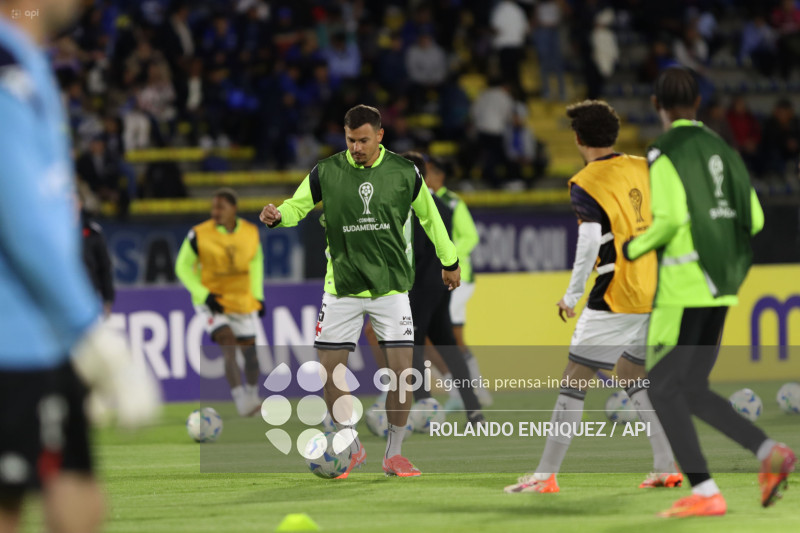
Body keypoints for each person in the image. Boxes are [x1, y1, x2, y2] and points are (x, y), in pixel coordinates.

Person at [0, 2, 160, 533]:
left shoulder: (28, 59)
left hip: (39, 336)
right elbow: (21, 215)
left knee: (80, 499)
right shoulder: (8, 65)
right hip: (14, 337)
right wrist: (89, 332)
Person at [622, 66, 796, 518]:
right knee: (691, 387)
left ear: (658, 106)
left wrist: (632, 244)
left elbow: (670, 219)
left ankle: (705, 492)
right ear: (697, 104)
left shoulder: (664, 151)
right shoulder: (725, 147)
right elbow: (754, 219)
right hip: (721, 286)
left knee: (660, 387)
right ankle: (768, 452)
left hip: (684, 287)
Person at [260, 105, 460, 478]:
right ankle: (350, 445)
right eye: (351, 140)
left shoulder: (404, 172)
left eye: (364, 140)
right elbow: (297, 205)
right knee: (330, 372)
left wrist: (450, 262)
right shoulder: (326, 171)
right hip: (342, 289)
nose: (356, 147)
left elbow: (431, 218)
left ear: (380, 136)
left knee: (403, 374)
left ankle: (394, 454)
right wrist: (279, 216)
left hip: (391, 289)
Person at [505, 100, 678, 495]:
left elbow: (587, 242)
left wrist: (571, 296)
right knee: (632, 375)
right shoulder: (645, 166)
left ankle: (546, 475)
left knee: (573, 381)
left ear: (578, 139)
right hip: (660, 290)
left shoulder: (586, 181)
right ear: (613, 135)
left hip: (617, 295)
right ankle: (666, 465)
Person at [401, 151, 484, 425]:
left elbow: (417, 252)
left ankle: (423, 405)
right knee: (447, 344)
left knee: (412, 346)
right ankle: (473, 409)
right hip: (440, 286)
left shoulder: (412, 207)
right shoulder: (443, 205)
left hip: (420, 286)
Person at [175, 188, 265, 417]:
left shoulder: (250, 232)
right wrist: (203, 294)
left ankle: (252, 396)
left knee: (251, 356)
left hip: (240, 300)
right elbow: (182, 267)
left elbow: (255, 263)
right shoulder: (198, 234)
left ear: (233, 209)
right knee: (227, 342)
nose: (215, 212)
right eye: (213, 207)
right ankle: (240, 401)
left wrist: (258, 296)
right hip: (210, 300)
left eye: (220, 207)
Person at [424, 156, 491, 410]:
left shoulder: (451, 201)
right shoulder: (426, 199)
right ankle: (478, 391)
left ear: (439, 176)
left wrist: (447, 254)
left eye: (427, 172)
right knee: (456, 337)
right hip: (446, 278)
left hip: (456, 278)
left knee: (436, 336)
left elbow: (470, 236)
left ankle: (458, 392)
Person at [81, 210, 115, 317]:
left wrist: (108, 298)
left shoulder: (92, 232)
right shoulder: (52, 228)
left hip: (89, 295)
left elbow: (104, 266)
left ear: (80, 204)